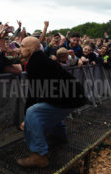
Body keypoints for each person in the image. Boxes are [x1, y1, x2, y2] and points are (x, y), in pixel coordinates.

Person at [17, 37, 87, 168]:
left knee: (32, 113)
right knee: (49, 110)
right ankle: (59, 136)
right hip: (74, 97)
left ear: (31, 49)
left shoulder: (35, 63)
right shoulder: (41, 59)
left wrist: (26, 118)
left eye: (21, 46)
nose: (19, 49)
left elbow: (34, 93)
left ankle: (39, 156)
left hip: (69, 98)